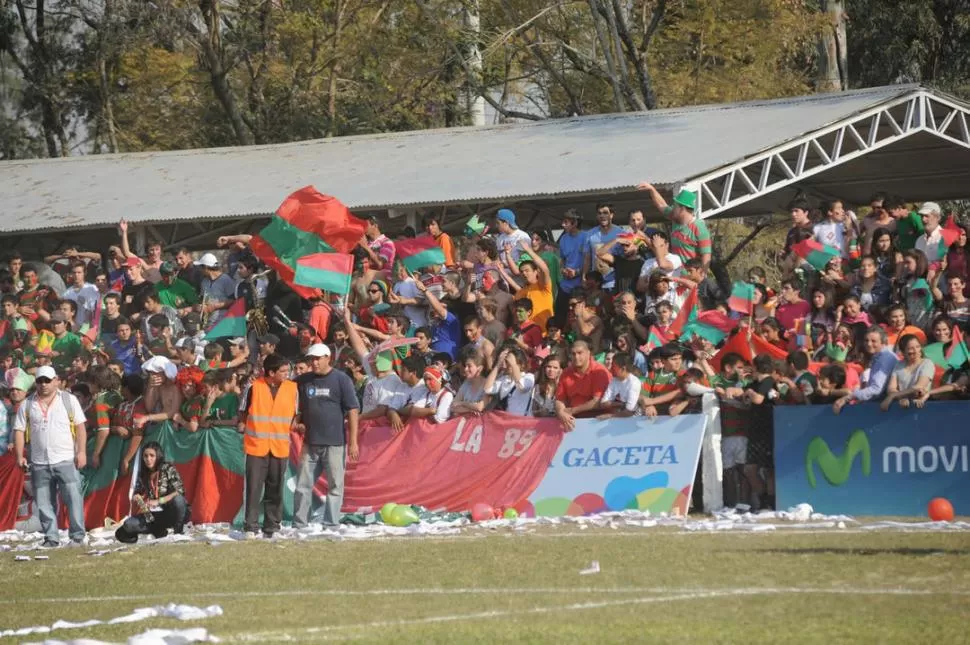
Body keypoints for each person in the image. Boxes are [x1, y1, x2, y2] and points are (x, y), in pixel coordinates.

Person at [13, 365, 88, 547]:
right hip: (39, 462)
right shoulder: (27, 404)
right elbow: (19, 431)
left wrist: (81, 452)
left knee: (73, 499)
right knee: (44, 503)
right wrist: (19, 456)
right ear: (36, 383)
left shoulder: (69, 400)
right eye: (40, 381)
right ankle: (51, 538)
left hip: (65, 459)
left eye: (47, 380)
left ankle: (77, 536)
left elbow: (80, 427)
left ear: (56, 381)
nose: (44, 384)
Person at [293, 343, 359, 528]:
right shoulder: (302, 381)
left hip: (335, 443)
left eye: (317, 358)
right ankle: (299, 524)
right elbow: (293, 405)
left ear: (327, 357)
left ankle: (330, 524)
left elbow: (352, 410)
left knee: (335, 487)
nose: (314, 362)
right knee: (302, 486)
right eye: (311, 359)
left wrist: (353, 442)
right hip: (310, 442)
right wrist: (295, 421)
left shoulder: (342, 379)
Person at [237, 353, 298, 538]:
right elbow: (242, 413)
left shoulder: (293, 389)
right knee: (254, 489)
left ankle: (272, 526)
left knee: (276, 488)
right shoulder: (253, 387)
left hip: (279, 447)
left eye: (288, 370)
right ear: (271, 372)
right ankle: (251, 526)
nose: (287, 374)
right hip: (256, 446)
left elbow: (295, 415)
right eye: (283, 371)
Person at [114, 441, 189, 543]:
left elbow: (179, 491)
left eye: (152, 456)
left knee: (178, 500)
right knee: (128, 524)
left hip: (171, 512)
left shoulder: (168, 468)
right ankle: (158, 531)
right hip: (153, 515)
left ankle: (178, 531)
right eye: (145, 456)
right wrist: (138, 497)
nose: (148, 459)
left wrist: (159, 501)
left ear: (158, 456)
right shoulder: (144, 473)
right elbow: (137, 491)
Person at [832, 326, 899, 414]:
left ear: (883, 343)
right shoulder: (879, 357)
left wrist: (848, 397)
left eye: (873, 341)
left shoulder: (886, 358)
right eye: (866, 340)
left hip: (886, 410)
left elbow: (876, 389)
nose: (869, 344)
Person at [555, 338, 611, 430]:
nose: (576, 357)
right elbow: (560, 399)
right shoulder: (566, 373)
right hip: (573, 421)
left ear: (588, 353)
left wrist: (572, 410)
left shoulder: (599, 371)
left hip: (598, 422)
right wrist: (561, 412)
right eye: (573, 354)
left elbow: (597, 402)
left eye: (580, 353)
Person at [880, 334, 935, 411]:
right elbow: (891, 388)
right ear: (903, 352)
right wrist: (901, 398)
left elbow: (919, 386)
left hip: (922, 406)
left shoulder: (927, 363)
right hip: (901, 408)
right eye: (910, 348)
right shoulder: (899, 365)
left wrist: (893, 396)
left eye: (918, 347)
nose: (916, 351)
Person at [483, 346, 535, 416]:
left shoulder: (529, 377)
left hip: (523, 422)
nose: (508, 365)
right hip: (508, 422)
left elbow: (522, 387)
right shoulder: (504, 379)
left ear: (521, 365)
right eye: (507, 362)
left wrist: (513, 364)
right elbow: (487, 389)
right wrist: (498, 364)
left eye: (510, 362)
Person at [583, 203, 623, 291]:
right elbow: (587, 258)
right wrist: (584, 277)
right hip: (596, 284)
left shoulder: (621, 233)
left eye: (605, 213)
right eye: (599, 213)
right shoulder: (589, 234)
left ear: (611, 215)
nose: (602, 216)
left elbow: (624, 258)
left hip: (614, 282)